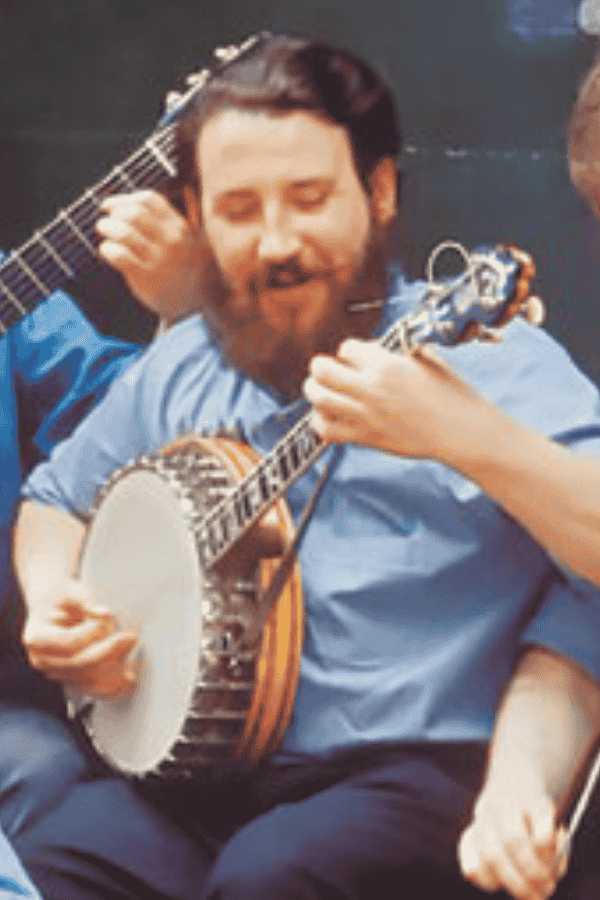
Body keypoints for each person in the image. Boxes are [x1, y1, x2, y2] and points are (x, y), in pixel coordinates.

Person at [11, 32, 600, 900]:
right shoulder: (185, 363)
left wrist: (467, 434)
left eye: (310, 198)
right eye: (240, 208)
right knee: (56, 852)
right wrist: (59, 597)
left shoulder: (495, 362)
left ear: (382, 191)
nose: (276, 241)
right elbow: (54, 496)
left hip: (407, 776)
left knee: (269, 879)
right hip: (197, 775)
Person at [0, 184, 202, 900]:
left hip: (14, 709)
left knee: (49, 773)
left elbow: (126, 423)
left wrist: (180, 312)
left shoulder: (12, 294)